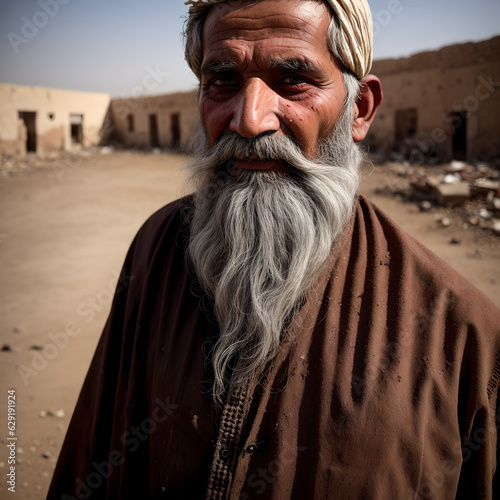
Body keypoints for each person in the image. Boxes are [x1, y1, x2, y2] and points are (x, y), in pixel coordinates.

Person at [48, 0, 500, 498]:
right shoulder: (156, 248)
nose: (249, 120)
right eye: (222, 80)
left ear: (360, 109)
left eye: (293, 80)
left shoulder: (461, 334)